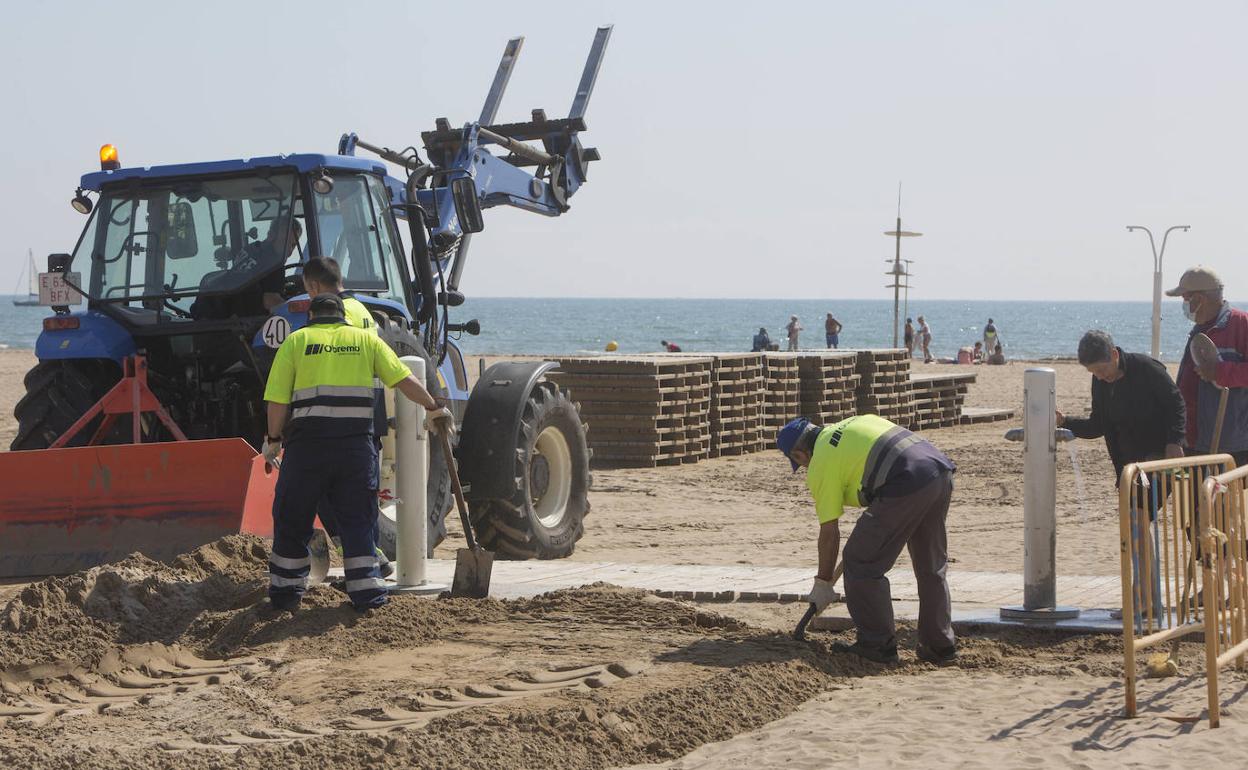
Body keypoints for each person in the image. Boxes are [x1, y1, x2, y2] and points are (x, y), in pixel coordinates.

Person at [262, 293, 452, 612]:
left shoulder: (295, 342)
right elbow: (404, 380)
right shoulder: (366, 341)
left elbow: (277, 401)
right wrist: (434, 407)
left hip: (307, 449)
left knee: (292, 518)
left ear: (311, 316)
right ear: (343, 316)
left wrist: (273, 439)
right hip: (355, 450)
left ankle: (285, 596)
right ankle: (368, 598)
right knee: (358, 522)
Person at [776, 415, 957, 665]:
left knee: (860, 561)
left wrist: (822, 583)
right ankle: (940, 647)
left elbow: (829, 532)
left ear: (799, 455)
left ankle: (877, 644)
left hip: (904, 481)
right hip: (938, 471)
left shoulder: (821, 463)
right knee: (930, 566)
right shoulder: (853, 423)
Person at [1059, 330, 1185, 621]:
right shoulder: (1100, 383)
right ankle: (1149, 599)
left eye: (1102, 370)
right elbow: (1098, 425)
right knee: (1137, 525)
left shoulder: (1147, 368)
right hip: (1127, 466)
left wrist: (1175, 441)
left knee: (1138, 521)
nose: (1100, 377)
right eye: (1093, 372)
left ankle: (1143, 599)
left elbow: (1176, 405)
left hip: (1159, 458)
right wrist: (1067, 422)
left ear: (1114, 355)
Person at [1167, 266, 1248, 465]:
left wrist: (1220, 372)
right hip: (1195, 440)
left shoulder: (1241, 324)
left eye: (1185, 298)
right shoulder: (1199, 330)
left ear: (1200, 299)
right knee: (1197, 496)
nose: (1184, 304)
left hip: (1232, 444)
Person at [191, 216, 302, 319]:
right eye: (285, 242)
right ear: (271, 235)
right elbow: (270, 301)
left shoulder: (250, 249)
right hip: (243, 326)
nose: (290, 251)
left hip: (219, 316)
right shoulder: (273, 262)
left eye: (293, 245)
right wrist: (298, 309)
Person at [303, 256, 375, 332]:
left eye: (308, 290)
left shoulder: (334, 313)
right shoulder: (360, 307)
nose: (309, 297)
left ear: (315, 286)